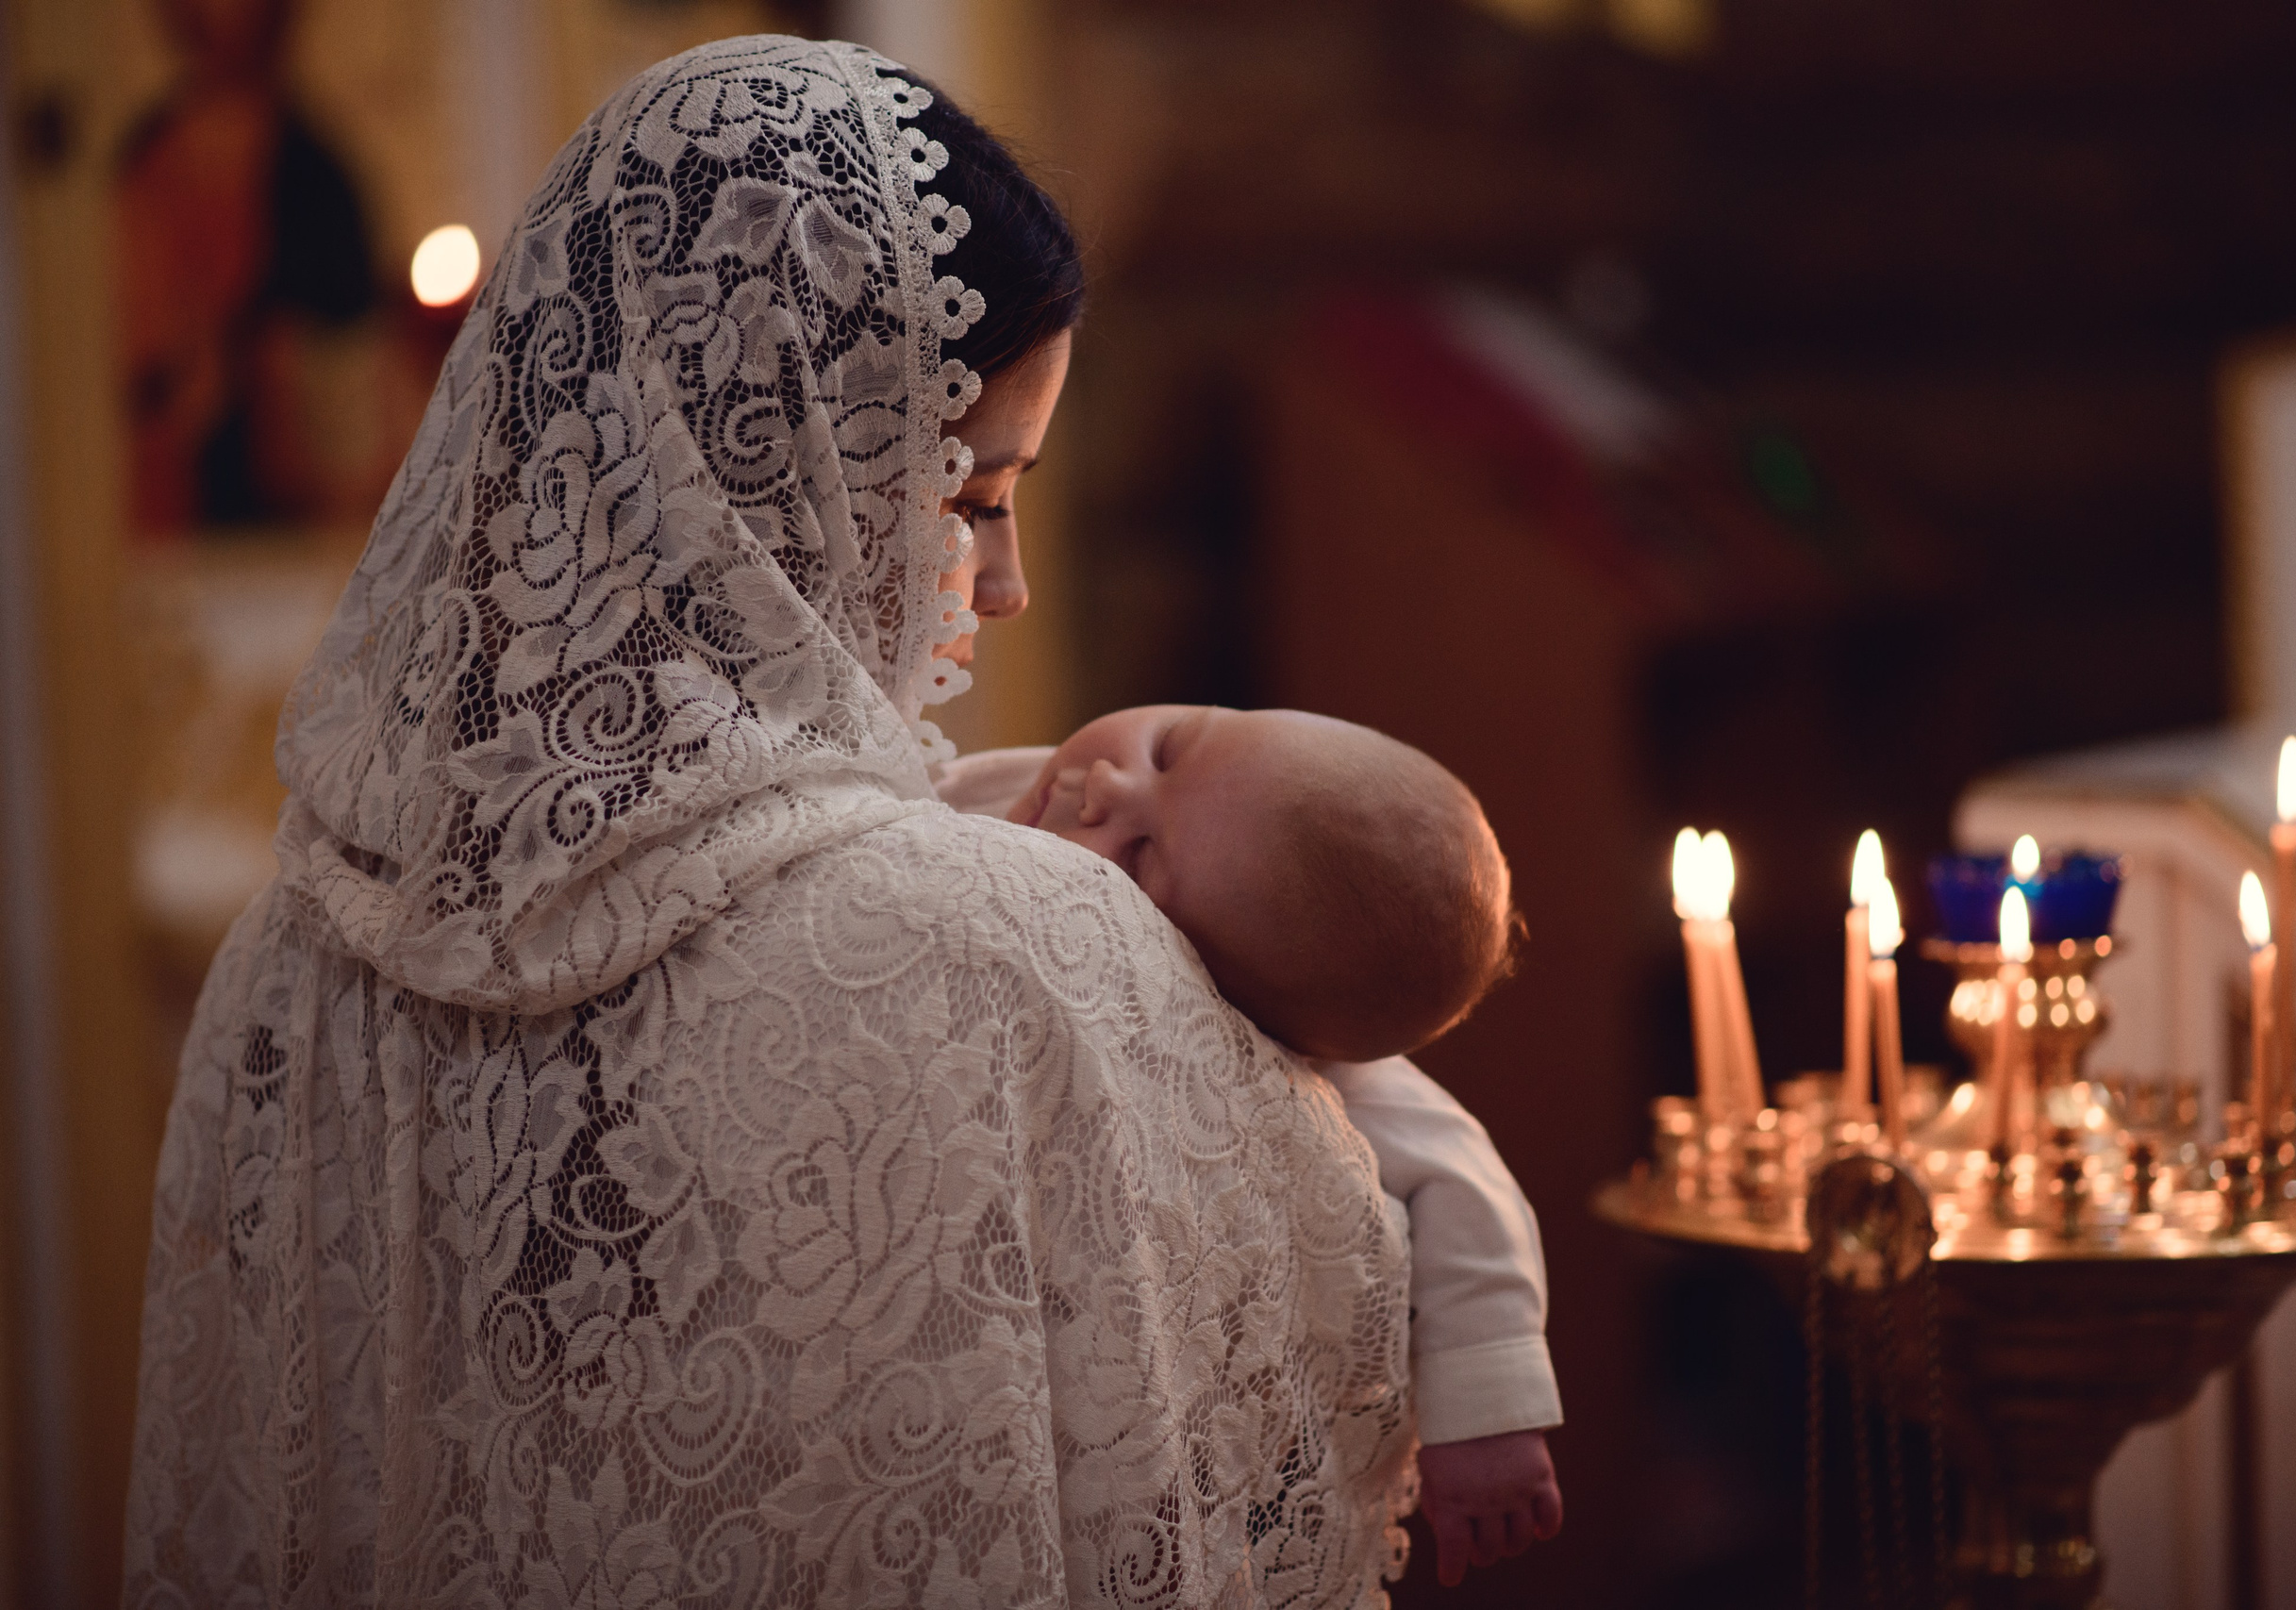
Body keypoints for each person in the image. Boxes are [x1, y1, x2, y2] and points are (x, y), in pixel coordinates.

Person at [125, 39, 1418, 1606]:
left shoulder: (279, 975)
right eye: (972, 492)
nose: (997, 585)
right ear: (786, 460)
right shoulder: (1023, 946)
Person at [940, 707, 1567, 1585]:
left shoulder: (1286, 1054)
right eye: (1172, 744)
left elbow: (1463, 1177)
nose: (1111, 787)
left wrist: (1492, 1413)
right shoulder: (1039, 783)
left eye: (1141, 855)